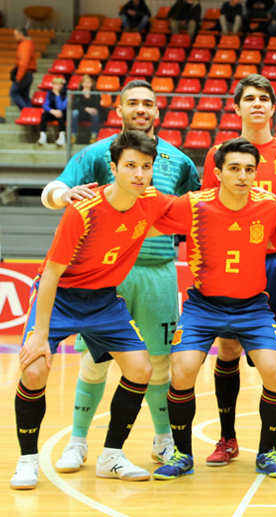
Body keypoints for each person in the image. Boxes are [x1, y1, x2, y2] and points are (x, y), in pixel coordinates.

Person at [41, 80, 200, 475]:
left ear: (158, 111)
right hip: (104, 276)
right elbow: (55, 188)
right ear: (119, 109)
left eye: (148, 103)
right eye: (133, 103)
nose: (141, 109)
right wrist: (62, 197)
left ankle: (163, 441)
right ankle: (78, 442)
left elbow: (197, 211)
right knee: (95, 361)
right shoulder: (99, 153)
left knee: (158, 361)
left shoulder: (180, 161)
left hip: (159, 273)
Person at [11, 131, 175, 490]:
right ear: (113, 168)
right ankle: (28, 461)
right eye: (130, 165)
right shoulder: (83, 209)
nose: (139, 174)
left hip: (104, 301)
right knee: (34, 371)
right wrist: (40, 335)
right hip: (61, 297)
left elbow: (196, 211)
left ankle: (111, 456)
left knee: (141, 369)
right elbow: (51, 274)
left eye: (146, 167)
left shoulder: (152, 202)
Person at [151, 138, 276, 480]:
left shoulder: (270, 206)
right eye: (234, 169)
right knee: (182, 369)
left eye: (249, 169)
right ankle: (182, 454)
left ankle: (268, 452)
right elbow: (150, 218)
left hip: (253, 308)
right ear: (217, 173)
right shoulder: (194, 205)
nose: (242, 176)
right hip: (203, 306)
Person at [201, 74, 276, 468]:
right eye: (249, 98)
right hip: (232, 262)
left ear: (273, 107)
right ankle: (227, 437)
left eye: (264, 98)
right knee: (228, 347)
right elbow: (207, 206)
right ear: (237, 107)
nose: (257, 104)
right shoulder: (218, 153)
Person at [70, 74, 101, 145]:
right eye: (84, 82)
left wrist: (88, 97)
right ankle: (73, 136)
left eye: (88, 82)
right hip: (81, 113)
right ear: (82, 84)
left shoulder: (96, 92)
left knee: (95, 114)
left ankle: (94, 136)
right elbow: (74, 105)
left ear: (92, 84)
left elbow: (96, 105)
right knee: (74, 113)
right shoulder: (78, 92)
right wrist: (86, 109)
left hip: (91, 114)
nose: (86, 84)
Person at [37, 77, 67, 147]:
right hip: (53, 113)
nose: (55, 86)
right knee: (44, 115)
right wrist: (52, 111)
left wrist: (57, 96)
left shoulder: (66, 94)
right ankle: (43, 136)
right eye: (54, 84)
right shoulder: (49, 93)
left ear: (61, 85)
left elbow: (61, 107)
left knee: (61, 115)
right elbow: (45, 105)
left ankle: (62, 137)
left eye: (57, 84)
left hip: (62, 113)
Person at [10, 27, 35, 110]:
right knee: (25, 96)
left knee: (13, 93)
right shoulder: (28, 44)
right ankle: (31, 114)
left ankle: (27, 113)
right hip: (28, 74)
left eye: (15, 35)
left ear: (20, 35)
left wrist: (19, 77)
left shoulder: (24, 45)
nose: (14, 37)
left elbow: (23, 63)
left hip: (24, 74)